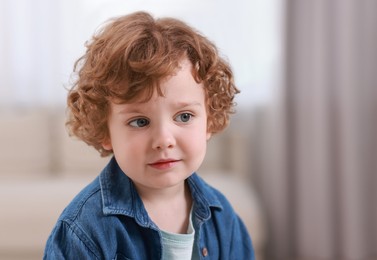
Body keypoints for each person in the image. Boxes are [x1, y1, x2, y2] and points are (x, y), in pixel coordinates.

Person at [44, 11, 254, 259]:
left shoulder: (222, 218)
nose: (164, 139)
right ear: (105, 131)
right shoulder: (83, 231)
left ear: (209, 120)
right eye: (140, 121)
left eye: (184, 116)